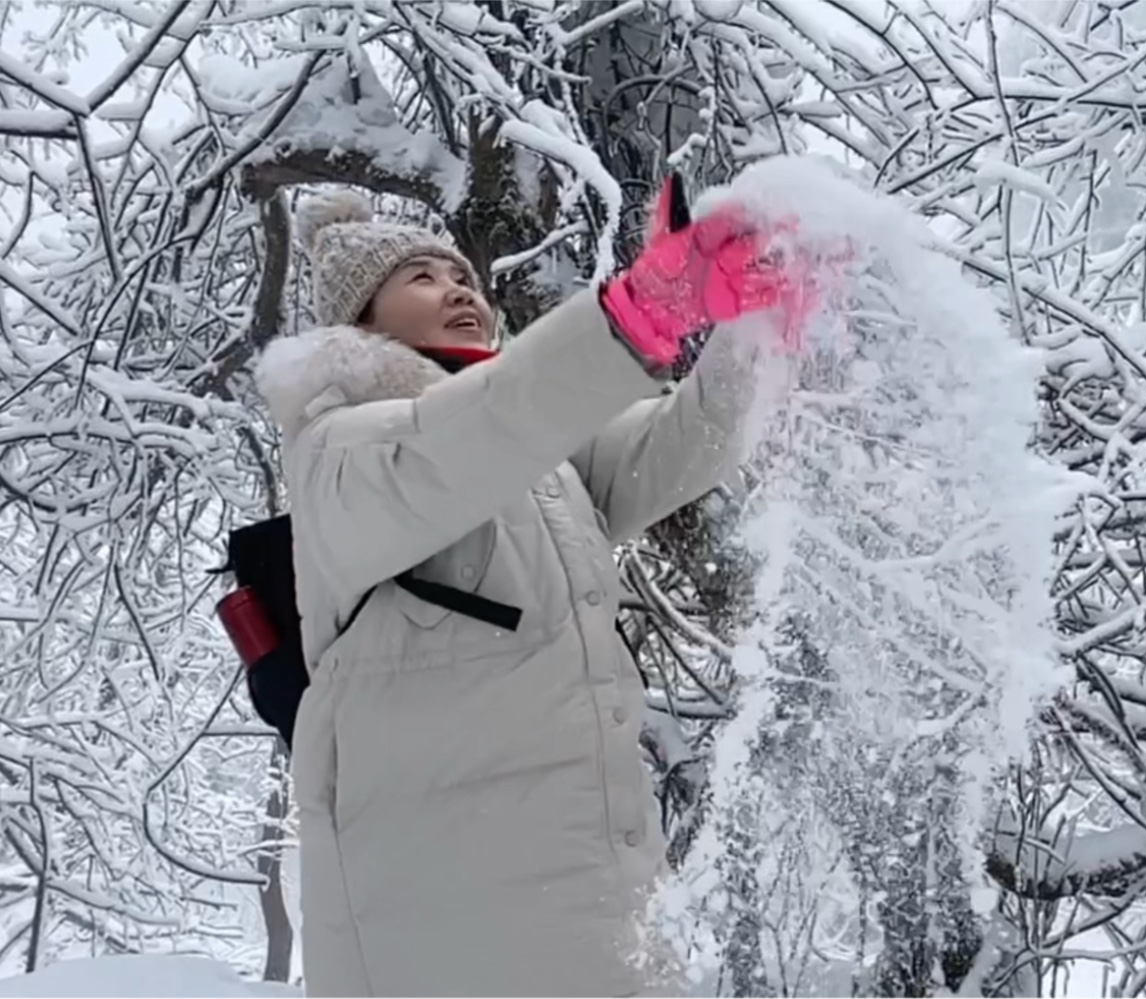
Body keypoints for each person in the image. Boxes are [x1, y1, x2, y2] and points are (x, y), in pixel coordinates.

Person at [253, 178, 805, 997]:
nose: (460, 290)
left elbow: (682, 440)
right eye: (423, 278)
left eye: (464, 278)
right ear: (360, 319)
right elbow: (457, 442)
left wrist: (758, 329)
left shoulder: (536, 459)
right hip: (445, 938)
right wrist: (635, 315)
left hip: (590, 907)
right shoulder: (338, 452)